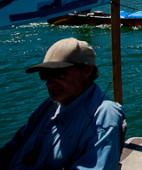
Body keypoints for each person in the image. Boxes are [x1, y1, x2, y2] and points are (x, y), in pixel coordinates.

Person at [0, 38, 125, 170]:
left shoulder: (104, 115)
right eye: (45, 75)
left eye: (58, 74)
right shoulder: (49, 106)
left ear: (87, 71)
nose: (49, 82)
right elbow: (14, 147)